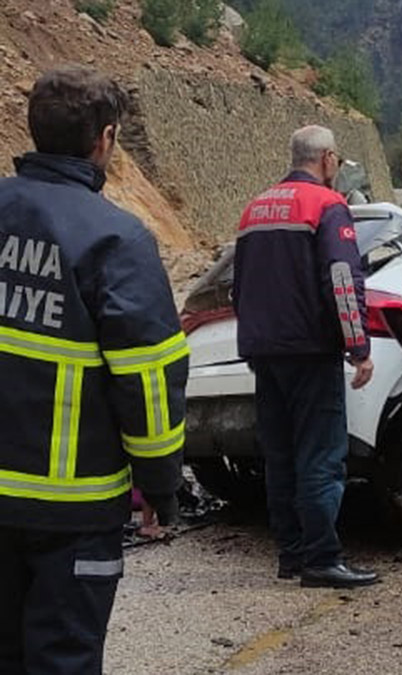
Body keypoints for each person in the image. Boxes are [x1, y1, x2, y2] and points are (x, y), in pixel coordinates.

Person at [0, 66, 186, 674]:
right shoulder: (116, 239)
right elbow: (150, 377)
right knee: (64, 660)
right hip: (73, 511)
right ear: (104, 139)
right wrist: (160, 486)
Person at [233, 125, 378, 589]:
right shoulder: (328, 206)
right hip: (310, 350)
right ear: (329, 159)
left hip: (264, 351)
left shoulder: (254, 209)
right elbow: (341, 278)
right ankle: (322, 557)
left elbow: (239, 287)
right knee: (321, 455)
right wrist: (358, 347)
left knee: (280, 456)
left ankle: (291, 554)